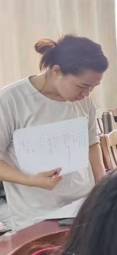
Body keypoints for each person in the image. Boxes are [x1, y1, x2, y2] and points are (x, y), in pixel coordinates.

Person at [0, 35, 107, 231]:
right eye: (82, 86)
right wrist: (30, 180)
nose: (86, 94)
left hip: (82, 206)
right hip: (36, 216)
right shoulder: (10, 101)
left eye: (93, 87)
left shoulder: (83, 101)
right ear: (57, 71)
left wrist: (102, 184)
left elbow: (92, 142)